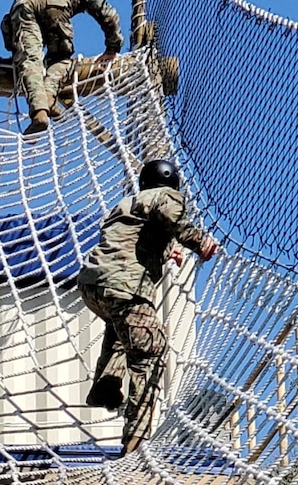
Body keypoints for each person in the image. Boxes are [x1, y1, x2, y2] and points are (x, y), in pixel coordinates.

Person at [79, 159, 218, 453]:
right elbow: (170, 216)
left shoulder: (124, 204)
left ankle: (108, 379)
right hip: (127, 285)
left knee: (122, 326)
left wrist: (169, 252)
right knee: (150, 351)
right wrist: (199, 242)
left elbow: (135, 237)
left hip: (92, 285)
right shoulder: (166, 196)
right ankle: (135, 437)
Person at [1, 0, 124, 134]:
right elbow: (107, 13)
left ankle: (40, 111)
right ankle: (50, 95)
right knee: (61, 58)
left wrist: (17, 50)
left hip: (22, 4)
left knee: (30, 61)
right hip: (54, 2)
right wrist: (112, 48)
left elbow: (7, 27)